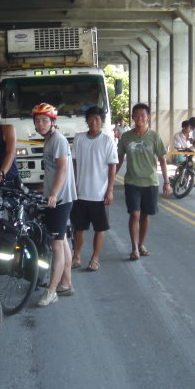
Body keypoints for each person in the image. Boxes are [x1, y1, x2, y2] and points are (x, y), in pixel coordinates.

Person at [32, 103, 77, 307]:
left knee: (56, 244)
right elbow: (51, 171)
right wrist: (44, 189)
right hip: (58, 197)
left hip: (60, 199)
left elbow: (62, 168)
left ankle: (52, 291)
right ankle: (66, 283)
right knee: (62, 240)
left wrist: (53, 193)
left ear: (52, 122)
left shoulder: (57, 140)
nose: (41, 124)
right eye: (38, 121)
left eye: (45, 120)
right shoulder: (49, 140)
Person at [116, 103, 171, 261]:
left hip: (150, 182)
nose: (139, 118)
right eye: (136, 115)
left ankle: (141, 244)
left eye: (143, 115)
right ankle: (134, 248)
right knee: (135, 214)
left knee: (145, 215)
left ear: (148, 118)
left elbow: (162, 160)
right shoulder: (126, 137)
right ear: (132, 117)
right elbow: (119, 159)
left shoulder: (154, 137)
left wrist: (166, 182)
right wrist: (109, 180)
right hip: (132, 182)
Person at [70, 105, 118, 272]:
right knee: (79, 228)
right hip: (80, 193)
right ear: (87, 120)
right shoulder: (79, 138)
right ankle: (76, 257)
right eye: (90, 118)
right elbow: (74, 163)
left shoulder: (107, 140)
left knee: (100, 228)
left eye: (97, 119)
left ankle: (95, 259)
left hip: (99, 194)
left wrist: (110, 190)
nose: (93, 122)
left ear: (102, 121)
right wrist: (73, 185)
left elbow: (112, 166)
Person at [172, 119, 195, 194]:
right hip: (182, 154)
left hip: (192, 155)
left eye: (190, 127)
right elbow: (178, 147)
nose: (190, 129)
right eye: (188, 127)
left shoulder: (193, 134)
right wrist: (185, 150)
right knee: (182, 166)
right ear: (184, 128)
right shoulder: (177, 135)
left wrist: (192, 143)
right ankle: (180, 180)